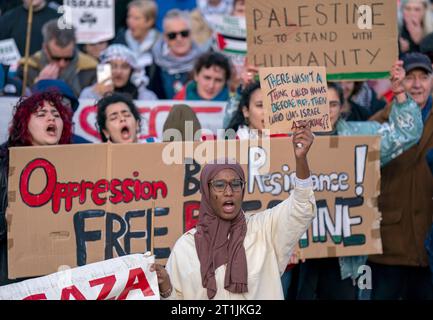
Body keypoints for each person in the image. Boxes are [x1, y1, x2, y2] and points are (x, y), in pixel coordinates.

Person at [297, 61, 423, 300]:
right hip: (297, 255)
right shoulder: (285, 140)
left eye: (333, 104)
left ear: (342, 107)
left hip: (344, 256)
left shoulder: (360, 137)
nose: (327, 110)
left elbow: (406, 133)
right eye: (320, 103)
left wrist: (399, 93)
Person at [150, 126, 316, 300]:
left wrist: (301, 159)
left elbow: (301, 206)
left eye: (235, 184)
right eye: (219, 185)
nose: (229, 192)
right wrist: (166, 287)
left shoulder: (264, 230)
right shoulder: (185, 248)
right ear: (206, 192)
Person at [366, 52, 433, 300]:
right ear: (397, 82)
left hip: (428, 245)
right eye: (409, 77)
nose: (416, 84)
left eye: (423, 77)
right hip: (389, 245)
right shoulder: (379, 121)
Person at [0, 91, 73, 285]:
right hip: (12, 276)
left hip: (61, 275)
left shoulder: (76, 164)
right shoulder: (2, 164)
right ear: (24, 124)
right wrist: (4, 221)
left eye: (56, 115)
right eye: (41, 114)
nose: (51, 118)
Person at [17, 19, 98, 96]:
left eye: (68, 58)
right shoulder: (27, 68)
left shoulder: (90, 68)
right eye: (56, 58)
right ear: (45, 48)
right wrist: (39, 86)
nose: (62, 64)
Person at [113, 0, 164, 98]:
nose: (130, 21)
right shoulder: (119, 40)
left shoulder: (160, 43)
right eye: (129, 17)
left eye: (136, 18)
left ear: (150, 21)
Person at [152, 9, 205, 99]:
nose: (179, 39)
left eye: (184, 33)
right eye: (172, 35)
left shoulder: (204, 62)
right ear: (165, 37)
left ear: (191, 34)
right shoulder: (152, 65)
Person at [79, 44, 157, 101]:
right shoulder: (88, 94)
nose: (118, 72)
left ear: (132, 71)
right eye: (113, 66)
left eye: (124, 67)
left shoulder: (147, 97)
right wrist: (99, 96)